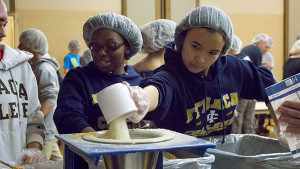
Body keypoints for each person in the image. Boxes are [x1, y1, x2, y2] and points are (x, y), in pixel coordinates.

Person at [124, 5, 275, 142]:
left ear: (222, 51)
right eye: (195, 46)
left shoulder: (234, 68)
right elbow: (158, 89)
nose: (201, 59)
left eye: (212, 52)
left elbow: (269, 85)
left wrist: (285, 125)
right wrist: (142, 98)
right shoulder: (171, 76)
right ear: (182, 39)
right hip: (180, 159)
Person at [53, 12, 143, 168]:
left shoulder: (138, 84)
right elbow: (67, 116)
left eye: (111, 46)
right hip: (85, 162)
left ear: (127, 47)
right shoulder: (79, 79)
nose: (101, 52)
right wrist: (99, 145)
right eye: (95, 46)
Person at [0, 0, 46, 166]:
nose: (3, 32)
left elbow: (34, 119)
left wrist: (34, 148)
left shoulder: (21, 67)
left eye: (4, 23)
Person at [18, 28, 63, 161]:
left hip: (45, 130)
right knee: (58, 162)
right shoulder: (36, 66)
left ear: (32, 45)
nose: (19, 47)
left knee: (38, 164)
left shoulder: (44, 68)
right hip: (48, 129)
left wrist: (33, 122)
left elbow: (50, 101)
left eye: (22, 43)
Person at [229, 35, 256, 134]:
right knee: (249, 124)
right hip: (251, 96)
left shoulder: (231, 60)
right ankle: (251, 147)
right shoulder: (246, 57)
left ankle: (236, 149)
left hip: (239, 97)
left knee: (236, 126)